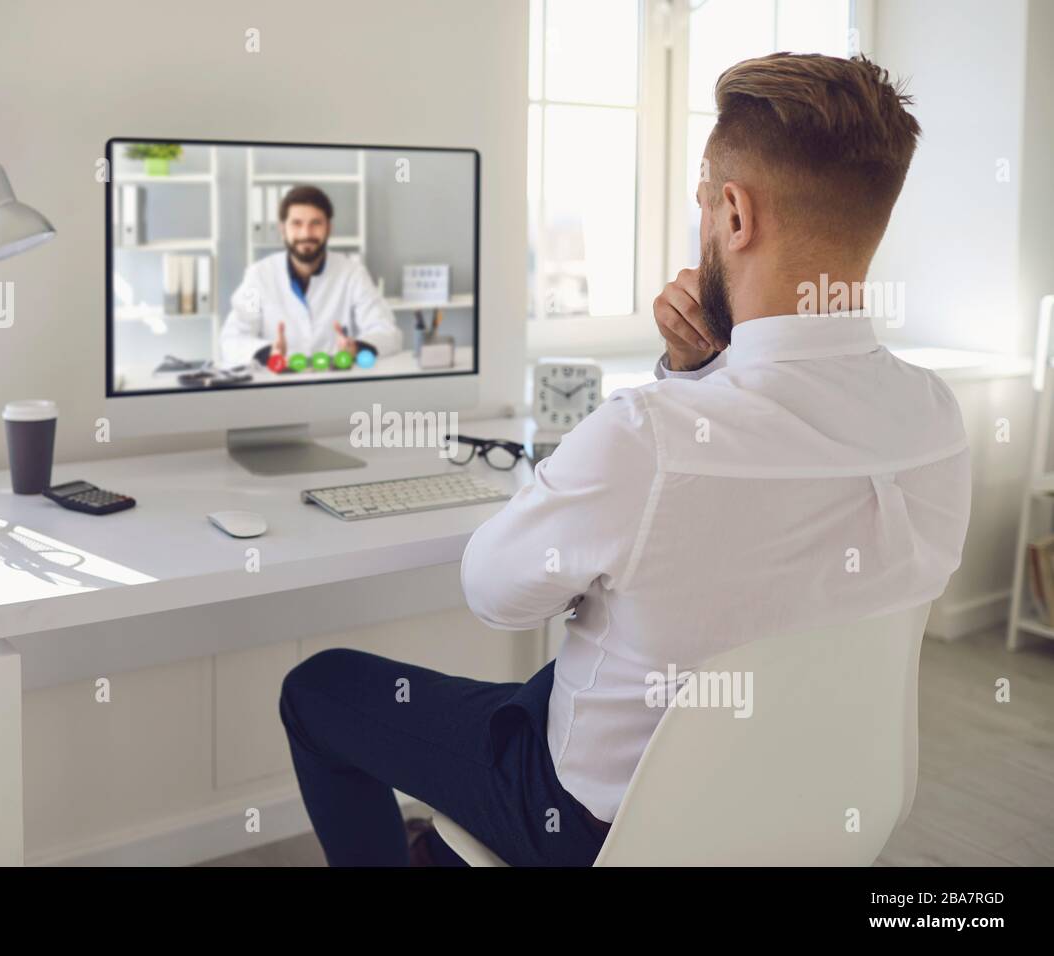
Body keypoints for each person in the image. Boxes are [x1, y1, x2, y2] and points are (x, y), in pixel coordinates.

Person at [279, 53, 970, 866]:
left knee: (319, 688)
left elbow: (494, 592)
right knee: (540, 693)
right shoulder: (937, 420)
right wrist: (697, 376)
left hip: (600, 830)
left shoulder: (648, 435)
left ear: (735, 215)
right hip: (813, 812)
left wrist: (670, 405)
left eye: (705, 203)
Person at [219, 184, 402, 367]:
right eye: (296, 223)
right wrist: (268, 353)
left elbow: (387, 331)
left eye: (316, 223)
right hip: (278, 380)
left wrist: (356, 348)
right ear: (283, 229)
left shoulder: (353, 275)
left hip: (336, 379)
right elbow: (235, 336)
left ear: (329, 228)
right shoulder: (258, 277)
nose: (306, 233)